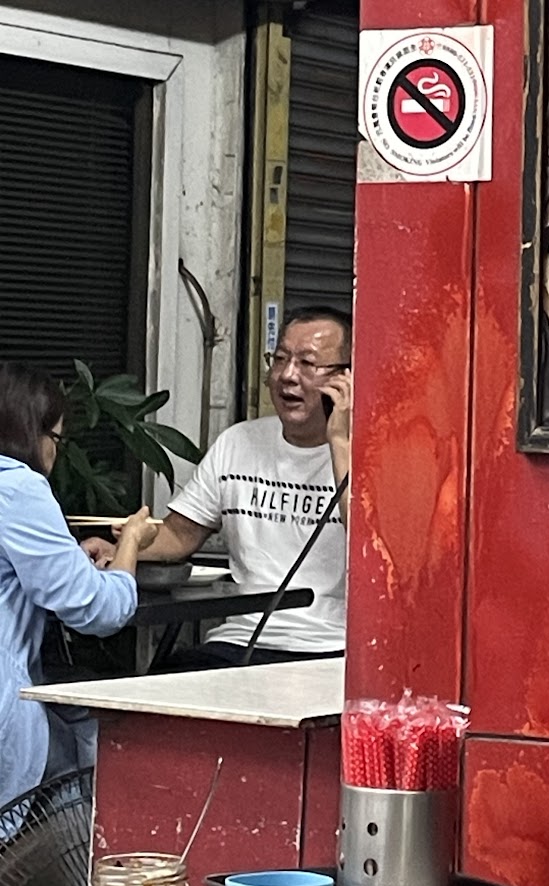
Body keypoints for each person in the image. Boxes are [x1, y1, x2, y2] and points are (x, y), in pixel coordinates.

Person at [83, 306, 353, 669]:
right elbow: (180, 535)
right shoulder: (239, 442)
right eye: (280, 359)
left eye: (308, 363)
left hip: (331, 648)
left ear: (345, 379)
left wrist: (341, 442)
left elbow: (373, 548)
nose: (288, 375)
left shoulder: (372, 454)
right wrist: (122, 550)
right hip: (241, 640)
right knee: (163, 683)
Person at [0, 362, 157, 809]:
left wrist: (70, 559)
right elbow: (98, 610)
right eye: (57, 439)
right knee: (83, 759)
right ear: (34, 433)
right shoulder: (17, 486)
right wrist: (130, 544)